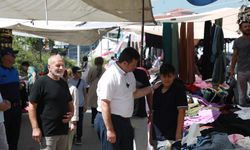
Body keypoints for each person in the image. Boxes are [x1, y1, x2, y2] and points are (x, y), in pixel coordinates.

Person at [94, 47, 159, 150]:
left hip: (124, 120)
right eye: (133, 65)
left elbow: (134, 94)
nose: (135, 67)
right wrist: (110, 129)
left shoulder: (129, 74)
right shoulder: (110, 76)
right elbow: (105, 104)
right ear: (125, 63)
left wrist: (151, 88)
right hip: (110, 119)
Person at [28, 54, 74, 150]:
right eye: (58, 65)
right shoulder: (41, 83)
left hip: (64, 130)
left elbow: (69, 102)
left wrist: (71, 115)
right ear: (49, 67)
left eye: (63, 65)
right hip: (48, 132)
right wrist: (35, 128)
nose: (61, 68)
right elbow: (32, 107)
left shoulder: (63, 83)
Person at [151, 63, 188, 150]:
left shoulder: (178, 89)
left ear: (174, 76)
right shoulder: (157, 90)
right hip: (157, 134)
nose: (166, 79)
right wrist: (151, 134)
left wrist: (178, 134)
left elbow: (181, 112)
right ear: (160, 76)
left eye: (169, 76)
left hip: (171, 133)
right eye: (164, 76)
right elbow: (153, 112)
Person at [0, 47, 21, 150]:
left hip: (16, 109)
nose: (14, 56)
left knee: (15, 137)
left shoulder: (15, 71)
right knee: (4, 139)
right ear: (5, 57)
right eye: (12, 54)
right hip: (4, 111)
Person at [131, 67, 153, 150]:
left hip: (140, 115)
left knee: (142, 147)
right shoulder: (120, 74)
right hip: (124, 117)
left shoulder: (141, 73)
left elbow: (149, 92)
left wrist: (151, 110)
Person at [230, 21, 250, 107]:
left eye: (249, 26)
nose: (248, 28)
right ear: (241, 29)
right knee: (242, 93)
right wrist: (231, 69)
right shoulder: (237, 41)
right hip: (242, 70)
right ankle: (243, 113)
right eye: (245, 27)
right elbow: (234, 56)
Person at [68, 66, 87, 145]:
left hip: (80, 105)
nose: (80, 74)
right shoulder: (69, 81)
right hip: (71, 105)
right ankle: (72, 137)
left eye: (81, 72)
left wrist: (86, 104)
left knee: (80, 122)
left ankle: (79, 137)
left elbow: (85, 93)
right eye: (79, 72)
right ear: (74, 73)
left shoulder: (82, 82)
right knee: (71, 122)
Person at [87, 57, 105, 126]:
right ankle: (100, 122)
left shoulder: (92, 69)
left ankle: (93, 121)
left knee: (93, 107)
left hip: (93, 89)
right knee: (100, 106)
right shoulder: (104, 70)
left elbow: (88, 79)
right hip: (102, 89)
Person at [64, 69, 79, 150]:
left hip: (69, 121)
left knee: (67, 145)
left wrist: (74, 122)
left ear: (66, 77)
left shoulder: (73, 88)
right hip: (56, 123)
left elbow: (75, 105)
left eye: (63, 76)